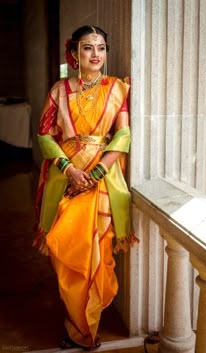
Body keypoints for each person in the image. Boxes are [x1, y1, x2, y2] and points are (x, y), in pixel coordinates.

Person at [33, 25, 139, 350]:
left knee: (97, 253)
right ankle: (78, 322)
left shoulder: (116, 90)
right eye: (88, 48)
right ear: (75, 54)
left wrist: (94, 174)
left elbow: (122, 136)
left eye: (102, 47)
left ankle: (85, 330)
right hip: (66, 178)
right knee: (68, 253)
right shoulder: (59, 90)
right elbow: (45, 136)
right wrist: (69, 170)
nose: (96, 54)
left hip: (102, 181)